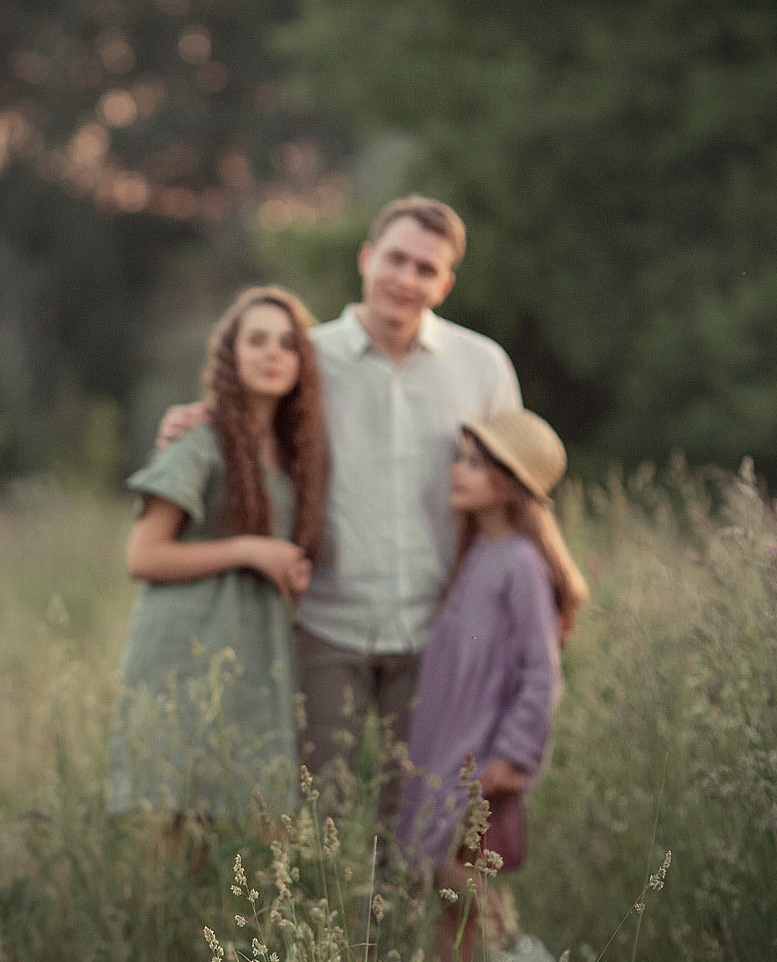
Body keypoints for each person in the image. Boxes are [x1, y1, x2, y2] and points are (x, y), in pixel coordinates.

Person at [159, 197, 523, 823]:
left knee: (420, 823)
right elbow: (243, 423)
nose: (406, 279)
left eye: (426, 269)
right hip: (327, 627)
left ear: (445, 284)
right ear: (366, 258)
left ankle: (403, 894)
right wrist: (190, 422)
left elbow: (514, 485)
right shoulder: (308, 359)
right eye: (395, 260)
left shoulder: (481, 365)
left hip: (439, 631)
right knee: (314, 819)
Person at [110, 287, 328, 817]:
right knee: (176, 821)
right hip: (185, 650)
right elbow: (143, 556)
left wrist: (287, 569)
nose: (273, 353)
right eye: (257, 340)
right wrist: (251, 550)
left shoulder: (293, 453)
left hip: (253, 653)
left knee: (250, 822)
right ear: (231, 354)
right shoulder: (198, 439)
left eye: (287, 344)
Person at [395, 408, 585, 962]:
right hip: (445, 741)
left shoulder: (521, 564)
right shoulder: (477, 551)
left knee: (441, 864)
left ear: (508, 483)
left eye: (475, 464)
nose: (457, 471)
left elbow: (541, 672)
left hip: (483, 750)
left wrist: (514, 753)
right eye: (460, 458)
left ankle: (521, 953)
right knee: (443, 886)